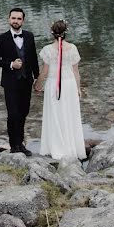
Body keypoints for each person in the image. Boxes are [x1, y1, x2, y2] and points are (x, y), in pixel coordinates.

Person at [35, 20, 86, 160]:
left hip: (53, 85)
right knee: (69, 114)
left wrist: (37, 84)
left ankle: (56, 147)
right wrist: (78, 88)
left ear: (52, 33)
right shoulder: (73, 48)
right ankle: (72, 148)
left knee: (55, 114)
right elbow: (76, 72)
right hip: (69, 85)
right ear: (66, 33)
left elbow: (45, 72)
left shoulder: (47, 50)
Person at [0, 7, 39, 156]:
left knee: (23, 113)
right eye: (13, 18)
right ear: (9, 19)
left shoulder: (30, 36)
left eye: (19, 18)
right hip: (10, 83)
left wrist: (38, 79)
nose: (16, 21)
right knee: (13, 114)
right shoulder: (2, 38)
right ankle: (13, 145)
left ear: (23, 21)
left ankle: (21, 144)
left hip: (26, 82)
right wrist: (11, 65)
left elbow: (34, 59)